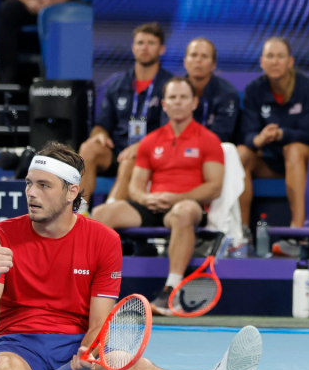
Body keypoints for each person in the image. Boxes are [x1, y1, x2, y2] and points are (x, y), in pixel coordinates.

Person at [0, 141, 261, 370]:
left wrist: (84, 356)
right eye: (29, 183)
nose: (31, 193)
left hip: (78, 348)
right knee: (6, 369)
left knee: (136, 367)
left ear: (71, 192)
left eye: (44, 185)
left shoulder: (104, 240)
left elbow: (98, 322)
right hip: (18, 345)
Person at [91, 77, 224, 315]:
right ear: (164, 104)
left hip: (187, 206)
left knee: (184, 211)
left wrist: (176, 198)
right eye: (172, 97)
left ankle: (170, 291)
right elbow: (135, 186)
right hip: (153, 204)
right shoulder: (150, 141)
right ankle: (90, 285)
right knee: (102, 213)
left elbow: (214, 187)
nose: (178, 102)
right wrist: (145, 199)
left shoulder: (209, 140)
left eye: (183, 97)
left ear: (194, 103)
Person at [238, 37, 309, 254]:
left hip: (302, 162)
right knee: (241, 153)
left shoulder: (308, 87)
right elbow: (247, 133)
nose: (275, 61)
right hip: (269, 161)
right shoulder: (254, 89)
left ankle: (297, 233)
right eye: (269, 56)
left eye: (280, 56)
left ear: (290, 61)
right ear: (261, 62)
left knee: (292, 149)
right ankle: (242, 234)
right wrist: (258, 139)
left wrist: (282, 134)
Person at [78, 23, 172, 210]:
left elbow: (169, 129)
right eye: (140, 43)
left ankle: (107, 216)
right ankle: (78, 213)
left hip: (152, 153)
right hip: (118, 151)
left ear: (161, 49)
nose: (145, 48)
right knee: (88, 148)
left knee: (131, 160)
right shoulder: (117, 84)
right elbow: (102, 124)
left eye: (151, 43)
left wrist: (142, 146)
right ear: (133, 47)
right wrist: (100, 135)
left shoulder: (169, 85)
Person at [184, 37, 239, 144]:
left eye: (204, 56)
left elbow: (221, 135)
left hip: (215, 148)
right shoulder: (173, 91)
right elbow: (166, 126)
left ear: (213, 65)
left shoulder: (227, 93)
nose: (198, 60)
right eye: (193, 55)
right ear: (185, 61)